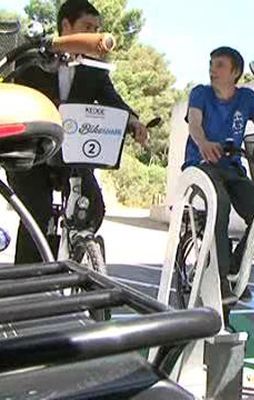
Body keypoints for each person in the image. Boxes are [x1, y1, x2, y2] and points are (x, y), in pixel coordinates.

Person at [7, 0, 148, 264]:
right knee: (37, 216)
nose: (94, 35)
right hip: (33, 155)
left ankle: (75, 255)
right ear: (65, 27)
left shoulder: (94, 72)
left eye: (97, 29)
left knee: (95, 207)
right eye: (87, 27)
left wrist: (134, 122)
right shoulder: (31, 60)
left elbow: (112, 100)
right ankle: (26, 286)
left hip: (71, 155)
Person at [184, 46, 254, 315]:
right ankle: (219, 281)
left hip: (232, 167)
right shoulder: (200, 93)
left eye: (219, 65)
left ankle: (234, 268)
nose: (212, 70)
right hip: (201, 165)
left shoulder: (247, 98)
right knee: (219, 203)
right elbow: (194, 124)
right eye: (211, 64)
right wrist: (204, 143)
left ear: (235, 73)